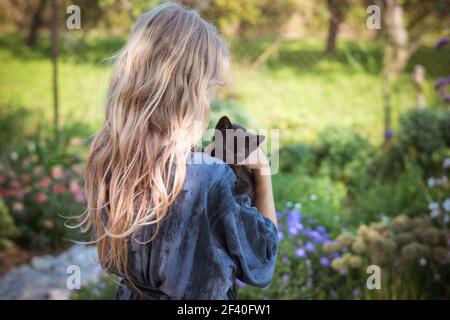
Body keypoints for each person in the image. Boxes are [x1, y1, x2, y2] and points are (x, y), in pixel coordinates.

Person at [80, 2, 278, 300]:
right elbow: (262, 262)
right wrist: (262, 172)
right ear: (190, 89)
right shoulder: (207, 177)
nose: (210, 100)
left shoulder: (109, 157)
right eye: (210, 88)